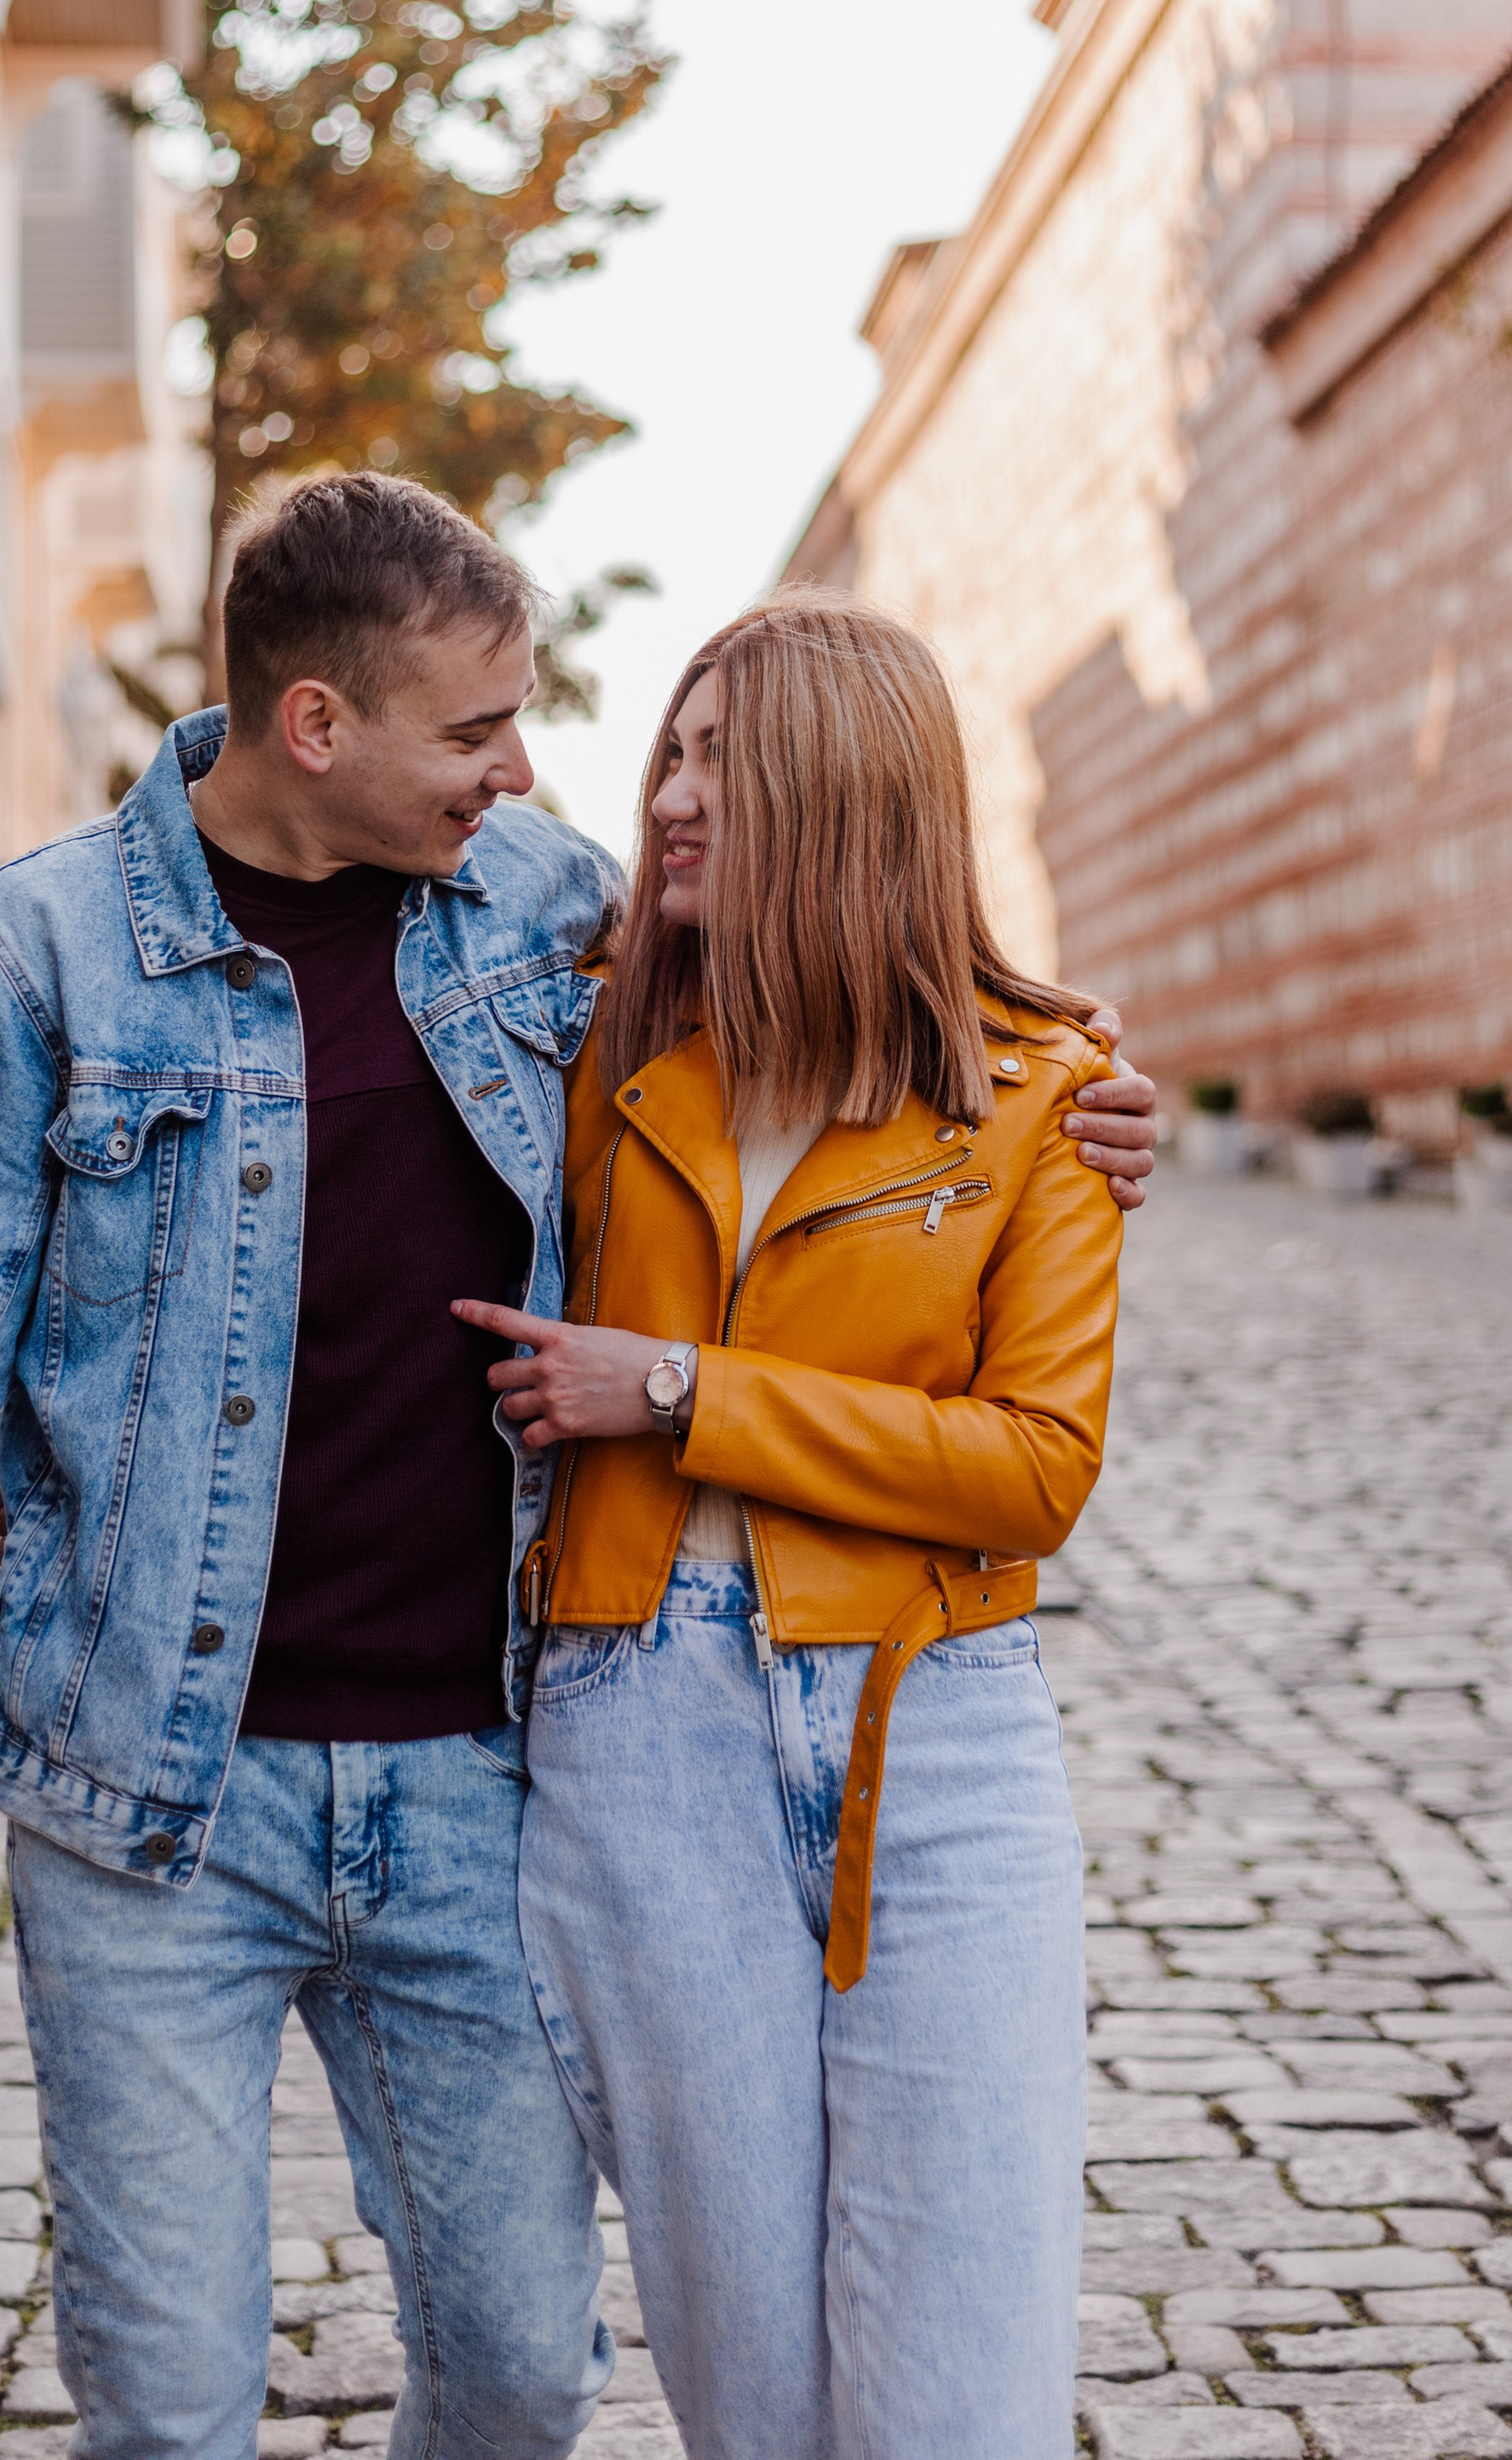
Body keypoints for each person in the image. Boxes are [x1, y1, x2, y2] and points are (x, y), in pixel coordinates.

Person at [0, 475, 1158, 2460]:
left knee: (523, 2371)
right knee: (169, 2407)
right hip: (145, 1792)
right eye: (478, 729)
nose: (528, 771)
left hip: (473, 1779)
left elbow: (848, 944)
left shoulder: (542, 915)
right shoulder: (41, 956)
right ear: (316, 725)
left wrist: (1077, 1086)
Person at [457, 591, 1118, 2460]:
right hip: (634, 1736)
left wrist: (677, 1395)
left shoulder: (1045, 1105)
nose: (671, 793)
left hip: (937, 1732)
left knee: (957, 2394)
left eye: (727, 761)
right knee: (749, 2391)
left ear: (852, 796)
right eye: (674, 746)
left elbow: (1031, 1468)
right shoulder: (587, 1066)